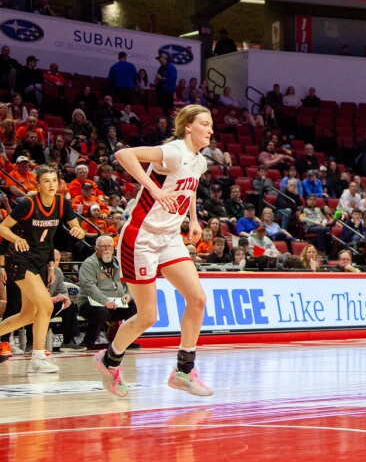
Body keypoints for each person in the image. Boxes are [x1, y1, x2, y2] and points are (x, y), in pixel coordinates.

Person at [95, 104, 214, 397]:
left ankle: (183, 371)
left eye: (211, 124)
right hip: (141, 238)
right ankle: (109, 360)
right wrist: (154, 189)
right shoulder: (172, 151)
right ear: (188, 127)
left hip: (170, 236)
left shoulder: (199, 161)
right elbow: (124, 154)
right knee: (148, 316)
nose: (210, 129)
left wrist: (194, 219)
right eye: (205, 123)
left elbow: (191, 185)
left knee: (197, 299)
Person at [0, 165, 86, 368]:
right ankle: (38, 358)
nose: (51, 185)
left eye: (54, 181)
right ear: (38, 184)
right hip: (19, 257)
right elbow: (3, 227)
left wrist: (79, 232)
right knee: (46, 305)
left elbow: (77, 227)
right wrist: (15, 239)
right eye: (46, 181)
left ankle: (37, 356)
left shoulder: (62, 203)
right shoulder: (28, 203)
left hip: (39, 259)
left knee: (28, 315)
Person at [77, 235, 138, 349]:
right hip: (90, 302)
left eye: (109, 246)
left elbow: (130, 282)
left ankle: (125, 341)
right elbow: (89, 286)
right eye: (103, 246)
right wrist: (105, 301)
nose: (107, 249)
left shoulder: (118, 262)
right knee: (101, 312)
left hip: (117, 302)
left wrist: (128, 295)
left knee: (134, 307)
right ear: (96, 249)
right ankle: (87, 343)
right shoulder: (89, 263)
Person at [154, 51, 177, 118]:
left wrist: (162, 78)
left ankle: (168, 124)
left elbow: (172, 80)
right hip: (160, 92)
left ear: (165, 58)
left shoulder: (171, 68)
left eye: (160, 58)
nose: (159, 60)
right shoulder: (161, 68)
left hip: (167, 93)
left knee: (167, 111)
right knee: (160, 110)